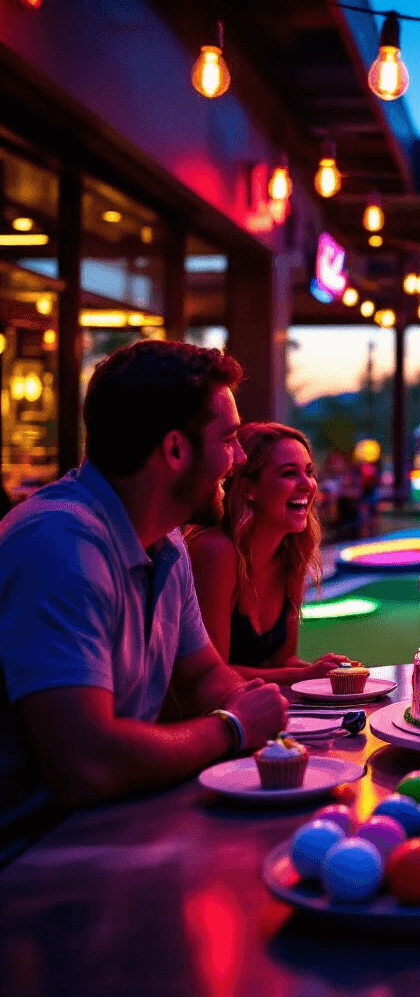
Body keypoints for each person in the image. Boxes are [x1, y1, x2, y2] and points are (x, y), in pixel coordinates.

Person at [0, 341, 288, 865]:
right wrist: (235, 726)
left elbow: (202, 675)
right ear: (175, 450)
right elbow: (84, 763)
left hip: (108, 827)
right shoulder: (60, 543)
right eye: (228, 440)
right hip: (31, 857)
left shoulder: (165, 538)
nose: (240, 458)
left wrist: (257, 705)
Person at [187, 423, 352, 685]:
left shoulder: (292, 555)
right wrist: (306, 675)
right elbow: (212, 675)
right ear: (248, 489)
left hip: (253, 706)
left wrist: (327, 672)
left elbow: (282, 661)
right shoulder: (216, 551)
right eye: (289, 474)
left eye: (308, 472)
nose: (307, 485)